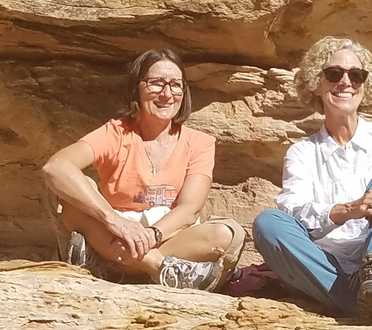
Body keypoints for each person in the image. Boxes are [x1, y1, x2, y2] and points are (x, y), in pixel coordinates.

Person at [252, 36, 372, 322]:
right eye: (334, 74)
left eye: (356, 75)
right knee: (267, 222)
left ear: (366, 83)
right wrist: (350, 209)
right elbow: (292, 210)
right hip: (331, 267)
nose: (345, 82)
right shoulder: (302, 152)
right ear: (317, 82)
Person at [42, 48, 245, 291]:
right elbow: (55, 167)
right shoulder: (116, 133)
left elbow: (190, 208)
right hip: (114, 233)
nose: (167, 93)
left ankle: (115, 266)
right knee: (69, 195)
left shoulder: (199, 143)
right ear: (136, 88)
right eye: (156, 83)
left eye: (175, 84)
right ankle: (161, 268)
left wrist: (152, 235)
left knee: (227, 234)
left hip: (158, 238)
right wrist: (116, 222)